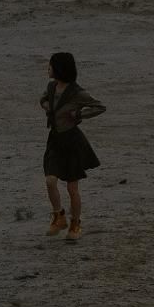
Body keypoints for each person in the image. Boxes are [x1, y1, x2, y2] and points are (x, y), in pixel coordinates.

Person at [41, 51, 106, 240]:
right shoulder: (51, 87)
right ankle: (58, 216)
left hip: (72, 142)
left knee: (72, 188)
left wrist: (79, 115)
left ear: (60, 68)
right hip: (54, 139)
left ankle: (75, 224)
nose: (48, 68)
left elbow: (99, 107)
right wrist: (47, 108)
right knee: (50, 180)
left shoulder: (77, 92)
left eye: (51, 65)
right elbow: (43, 99)